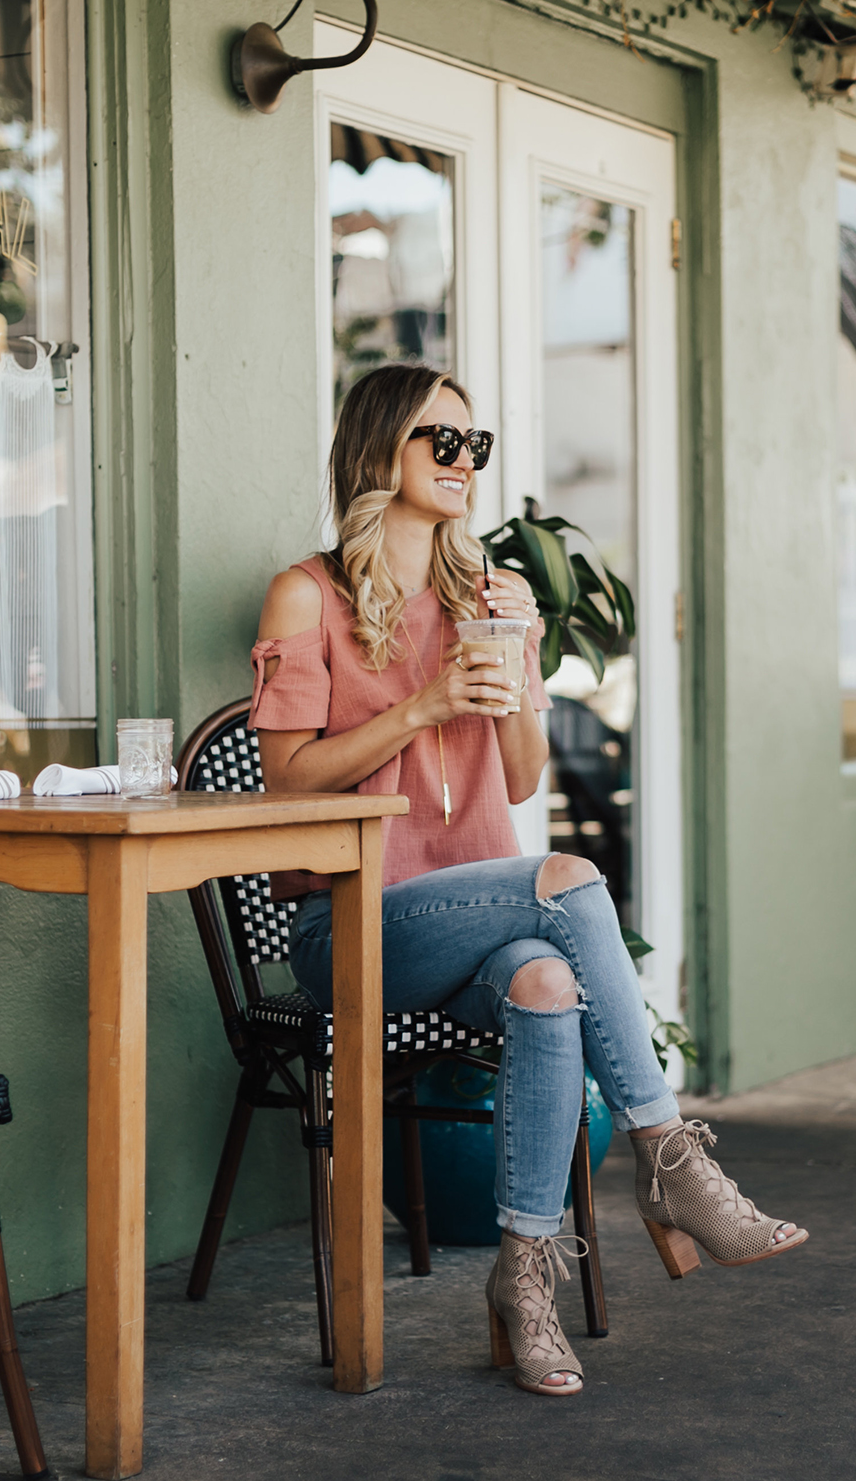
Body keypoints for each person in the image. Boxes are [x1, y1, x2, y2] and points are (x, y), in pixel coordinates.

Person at [249, 363, 808, 1397]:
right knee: (569, 876)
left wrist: (517, 658)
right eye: (441, 441)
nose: (464, 462)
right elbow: (283, 778)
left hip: (473, 913)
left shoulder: (483, 594)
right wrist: (419, 705)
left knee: (547, 986)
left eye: (476, 445)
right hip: (352, 922)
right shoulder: (308, 593)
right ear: (381, 451)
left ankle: (523, 1278)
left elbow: (515, 774)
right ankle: (667, 1153)